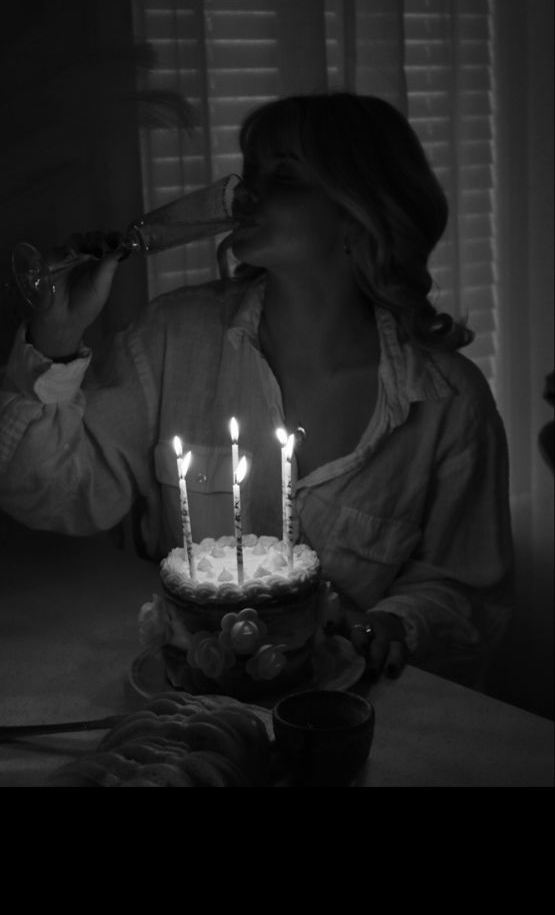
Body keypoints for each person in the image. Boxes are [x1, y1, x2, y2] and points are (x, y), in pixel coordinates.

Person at [0, 93, 514, 688]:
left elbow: (464, 590)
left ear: (358, 212)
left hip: (350, 721)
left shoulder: (449, 402)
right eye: (251, 170)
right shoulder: (174, 338)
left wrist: (394, 626)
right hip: (188, 702)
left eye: (285, 176)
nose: (244, 193)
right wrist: (56, 337)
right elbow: (50, 493)